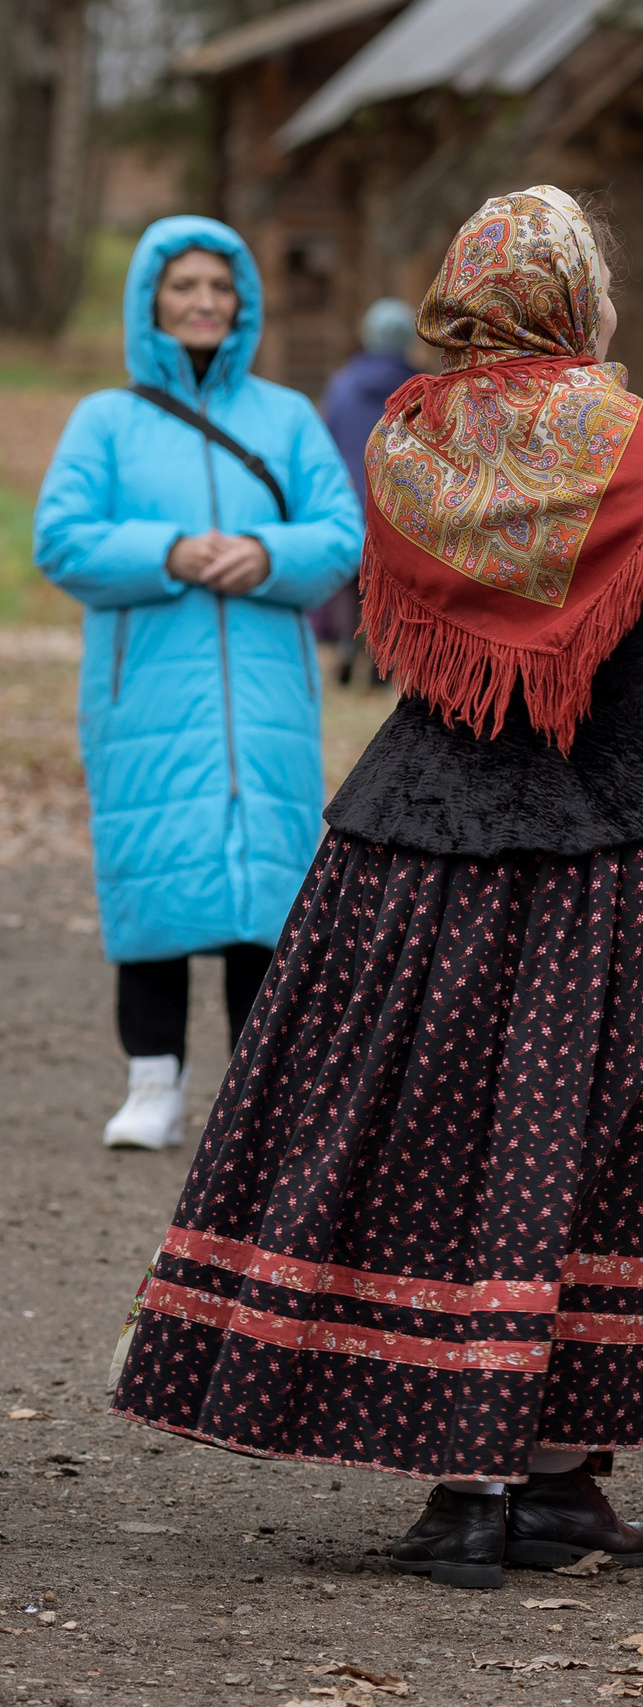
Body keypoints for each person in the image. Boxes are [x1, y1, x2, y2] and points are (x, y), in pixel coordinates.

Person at [108, 186, 643, 1590]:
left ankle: (493, 1488)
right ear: (578, 300)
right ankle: (531, 1476)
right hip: (599, 834)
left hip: (415, 836)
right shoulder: (623, 443)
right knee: (585, 1148)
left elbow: (546, 592)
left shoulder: (407, 437)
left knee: (434, 1140)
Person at [35, 217, 364, 1153]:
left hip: (266, 697)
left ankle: (253, 1100)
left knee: (266, 895)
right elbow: (60, 539)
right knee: (153, 887)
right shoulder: (106, 420)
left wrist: (264, 553)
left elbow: (341, 534)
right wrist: (169, 551)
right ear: (150, 300)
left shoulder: (285, 417)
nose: (204, 302)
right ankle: (153, 1085)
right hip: (145, 697)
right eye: (183, 286)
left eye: (220, 287)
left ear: (244, 302)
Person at [314, 297, 423, 683]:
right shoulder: (419, 388)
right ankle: (383, 661)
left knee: (350, 579)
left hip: (350, 495)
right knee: (392, 581)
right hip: (400, 501)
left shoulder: (342, 383)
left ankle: (346, 646)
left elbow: (329, 439)